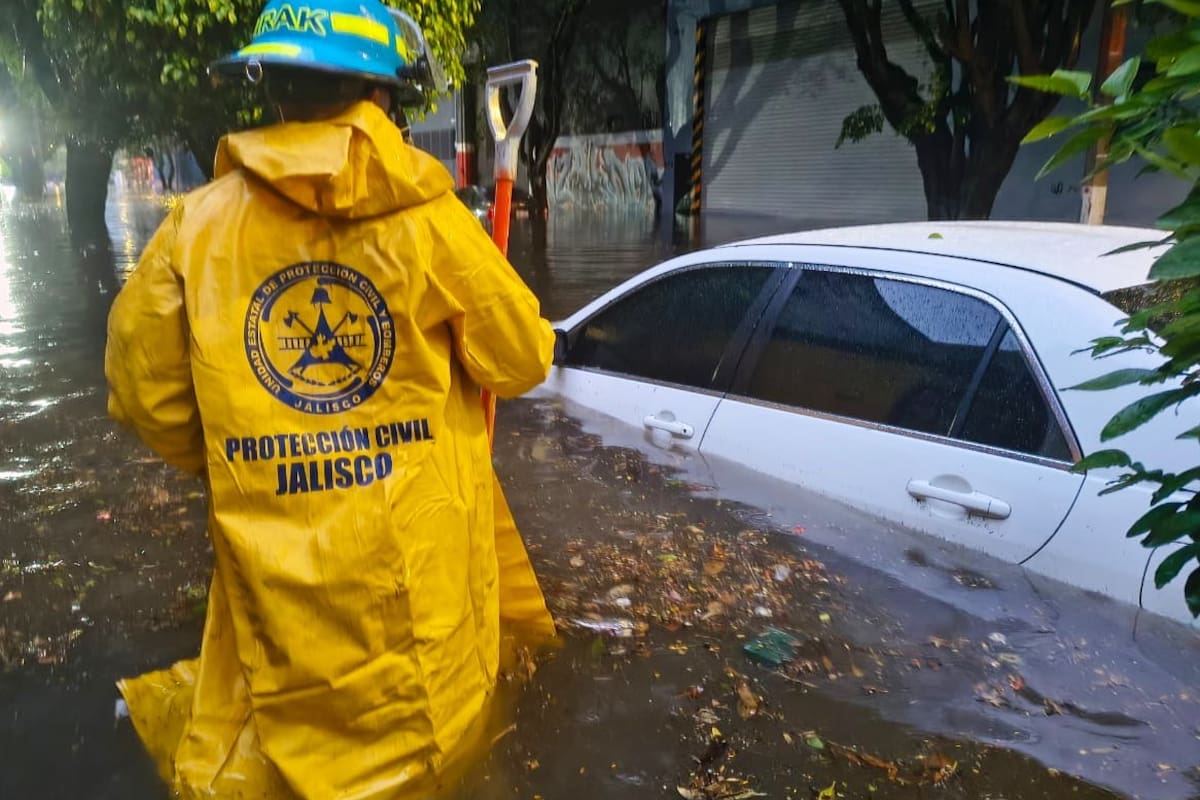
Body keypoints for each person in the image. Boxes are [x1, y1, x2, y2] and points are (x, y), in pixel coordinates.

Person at [104, 1, 556, 797]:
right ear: (382, 99)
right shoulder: (432, 222)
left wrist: (256, 451)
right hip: (420, 578)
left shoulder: (193, 229)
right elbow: (520, 360)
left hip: (277, 574)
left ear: (272, 93)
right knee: (439, 750)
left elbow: (149, 399)